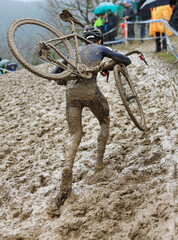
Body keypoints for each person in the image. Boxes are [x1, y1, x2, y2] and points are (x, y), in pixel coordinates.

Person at [52, 26, 131, 207]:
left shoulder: (73, 52)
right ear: (99, 40)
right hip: (90, 91)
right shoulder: (101, 48)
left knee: (75, 134)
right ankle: (99, 164)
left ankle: (68, 167)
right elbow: (125, 60)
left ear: (83, 40)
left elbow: (56, 74)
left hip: (71, 95)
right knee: (104, 121)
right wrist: (108, 64)